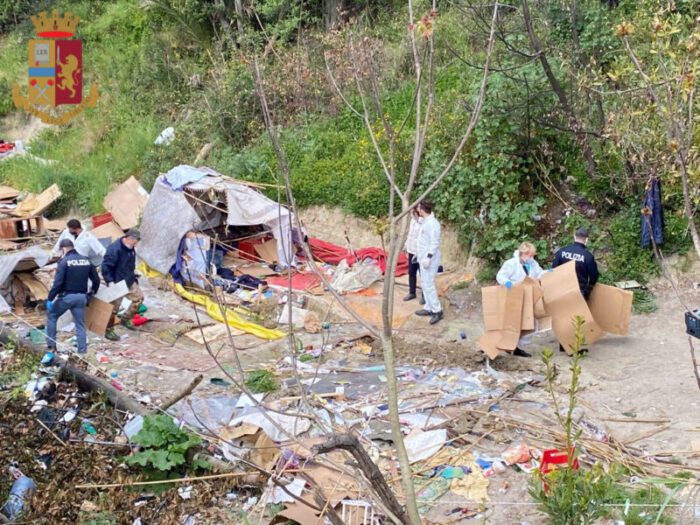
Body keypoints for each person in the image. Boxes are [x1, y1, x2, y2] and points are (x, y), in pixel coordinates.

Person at [46, 239, 100, 354]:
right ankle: (82, 351)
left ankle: (51, 346)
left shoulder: (64, 262)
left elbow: (58, 283)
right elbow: (96, 279)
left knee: (52, 316)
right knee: (80, 324)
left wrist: (50, 298)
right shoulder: (86, 260)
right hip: (81, 297)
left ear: (63, 248)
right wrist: (92, 292)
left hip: (66, 297)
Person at [552, 227, 599, 353]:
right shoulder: (588, 256)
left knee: (564, 318)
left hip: (562, 290)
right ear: (587, 240)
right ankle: (572, 349)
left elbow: (553, 270)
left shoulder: (562, 252)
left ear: (574, 236)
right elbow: (594, 275)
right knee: (575, 319)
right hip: (579, 291)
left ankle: (563, 344)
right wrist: (589, 288)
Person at [496, 241, 544, 358]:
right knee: (513, 322)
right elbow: (500, 275)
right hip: (513, 296)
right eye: (530, 255)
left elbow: (539, 273)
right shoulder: (511, 264)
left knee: (528, 323)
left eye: (533, 255)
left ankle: (518, 347)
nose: (532, 258)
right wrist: (507, 282)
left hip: (528, 297)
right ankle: (508, 344)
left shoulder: (532, 264)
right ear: (523, 254)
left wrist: (547, 273)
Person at [101, 229, 143, 341]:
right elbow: (105, 267)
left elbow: (129, 262)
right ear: (129, 238)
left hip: (129, 279)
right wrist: (109, 281)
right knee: (113, 309)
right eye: (135, 241)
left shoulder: (130, 247)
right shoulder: (114, 249)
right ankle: (108, 330)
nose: (136, 244)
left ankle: (126, 318)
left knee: (138, 299)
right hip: (117, 282)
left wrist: (134, 273)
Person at [414, 200, 443, 325]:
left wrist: (428, 257)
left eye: (418, 208)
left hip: (429, 260)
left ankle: (437, 310)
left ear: (422, 209)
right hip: (423, 258)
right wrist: (418, 255)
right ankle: (428, 307)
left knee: (429, 284)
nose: (417, 211)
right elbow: (423, 241)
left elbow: (434, 242)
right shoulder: (425, 222)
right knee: (424, 284)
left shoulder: (433, 224)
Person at [403, 208, 422, 302]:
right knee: (411, 272)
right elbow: (410, 235)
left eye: (413, 211)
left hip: (421, 252)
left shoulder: (424, 223)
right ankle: (412, 292)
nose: (412, 213)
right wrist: (406, 246)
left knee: (423, 274)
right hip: (411, 250)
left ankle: (425, 295)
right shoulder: (412, 221)